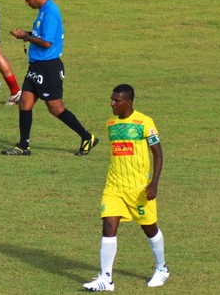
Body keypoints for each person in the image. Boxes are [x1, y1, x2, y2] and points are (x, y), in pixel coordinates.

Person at [83, 84, 169, 291]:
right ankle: (106, 278)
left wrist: (154, 183)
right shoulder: (111, 124)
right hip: (114, 186)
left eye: (116, 101)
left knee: (149, 228)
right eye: (111, 100)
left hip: (139, 189)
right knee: (108, 226)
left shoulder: (144, 123)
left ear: (128, 103)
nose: (112, 104)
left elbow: (158, 153)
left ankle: (162, 268)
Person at [1, 0, 98, 156]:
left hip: (48, 67)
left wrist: (25, 36)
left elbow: (46, 42)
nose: (26, 3)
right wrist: (26, 34)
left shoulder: (51, 13)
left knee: (55, 107)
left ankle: (86, 136)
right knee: (24, 103)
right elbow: (41, 36)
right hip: (36, 66)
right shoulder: (43, 11)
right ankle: (23, 145)